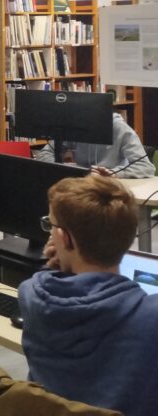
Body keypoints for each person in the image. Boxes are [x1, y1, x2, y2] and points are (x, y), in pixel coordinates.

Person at [18, 175, 158, 416]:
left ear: (64, 239)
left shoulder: (31, 295)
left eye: (50, 225)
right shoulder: (150, 316)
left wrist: (55, 265)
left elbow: (45, 284)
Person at [35, 112, 154, 178]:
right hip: (81, 183)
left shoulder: (119, 128)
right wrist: (66, 169)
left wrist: (114, 173)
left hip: (111, 186)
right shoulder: (74, 127)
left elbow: (145, 167)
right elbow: (44, 154)